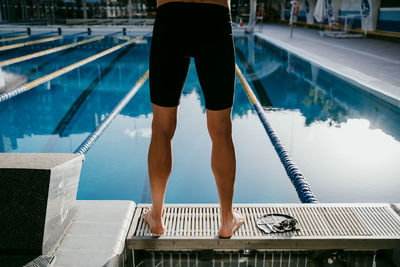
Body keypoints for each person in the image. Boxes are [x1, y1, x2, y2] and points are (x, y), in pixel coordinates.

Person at [142, 0, 244, 238]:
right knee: (221, 129)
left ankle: (156, 216)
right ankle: (227, 220)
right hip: (214, 15)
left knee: (161, 128)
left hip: (171, 14)